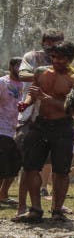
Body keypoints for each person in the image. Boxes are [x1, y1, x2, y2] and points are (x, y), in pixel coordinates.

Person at [13, 41, 74, 223]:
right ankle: (35, 209)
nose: (55, 60)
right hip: (40, 124)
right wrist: (27, 103)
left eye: (60, 58)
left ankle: (57, 209)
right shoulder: (40, 72)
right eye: (53, 57)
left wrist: (46, 98)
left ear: (69, 59)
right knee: (30, 167)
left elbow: (73, 109)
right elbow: (33, 92)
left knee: (61, 171)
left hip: (63, 126)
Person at [0, 58, 24, 206]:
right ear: (11, 66)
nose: (21, 68)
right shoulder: (3, 82)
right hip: (2, 128)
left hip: (19, 129)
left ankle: (3, 194)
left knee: (16, 164)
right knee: (2, 164)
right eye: (18, 65)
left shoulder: (26, 84)